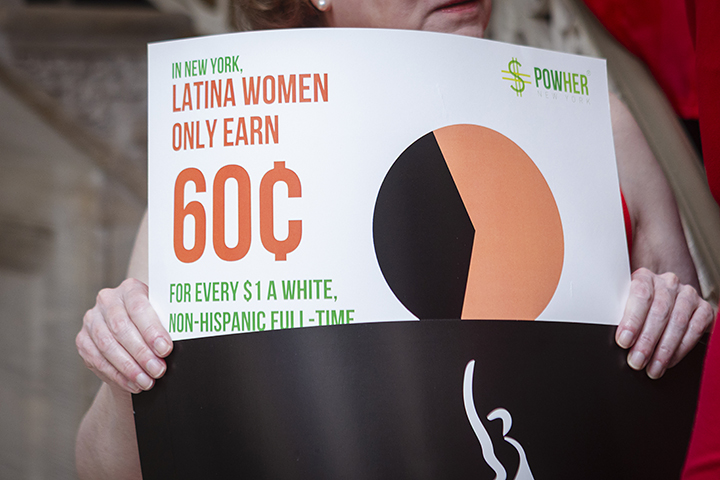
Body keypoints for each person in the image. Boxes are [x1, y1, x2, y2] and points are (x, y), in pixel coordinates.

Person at [74, 0, 715, 478]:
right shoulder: (223, 164)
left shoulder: (604, 130)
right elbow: (109, 471)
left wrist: (676, 324)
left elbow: (685, 409)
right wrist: (124, 372)